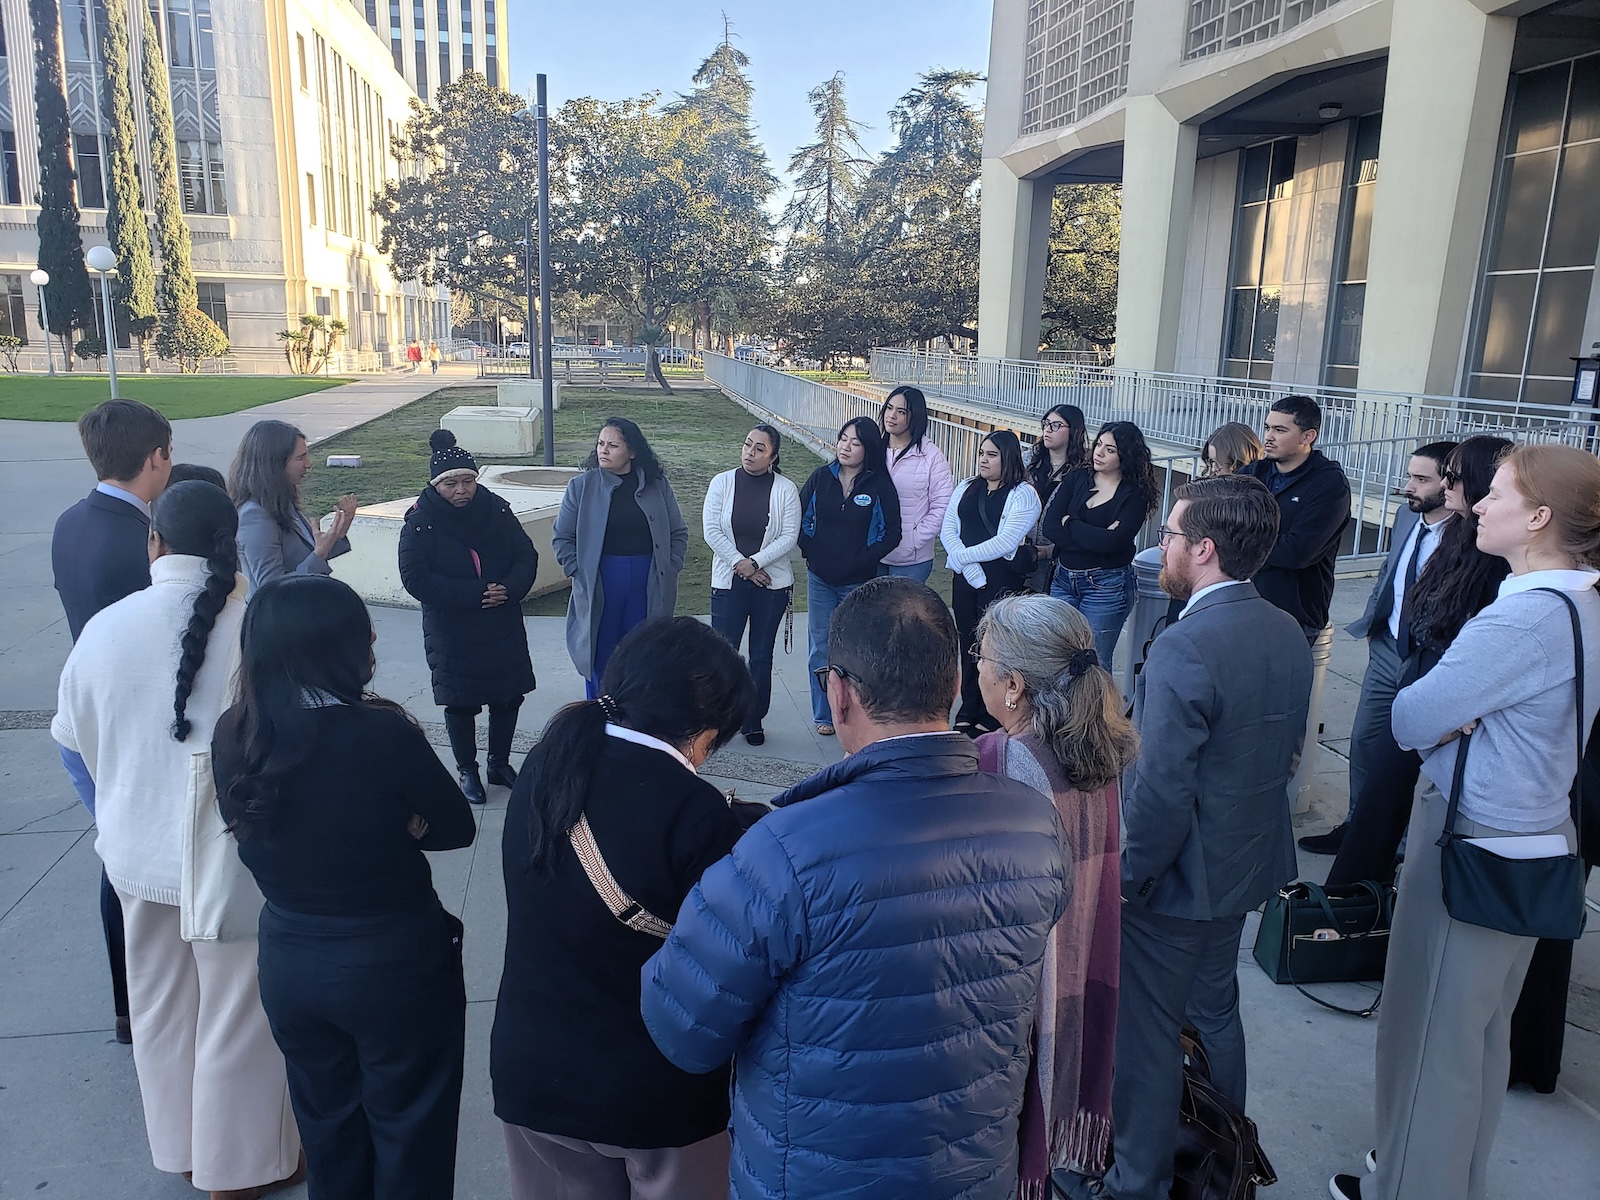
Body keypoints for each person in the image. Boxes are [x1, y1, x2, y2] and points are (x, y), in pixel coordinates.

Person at [642, 578, 1069, 1200]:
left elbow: (682, 1027)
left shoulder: (783, 848)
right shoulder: (1035, 822)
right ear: (953, 686)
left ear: (837, 693)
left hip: (812, 1178)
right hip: (974, 1173)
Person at [1329, 444, 1600, 1200]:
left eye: (1499, 494)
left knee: (1427, 1048)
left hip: (1472, 845)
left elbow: (1411, 717)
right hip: (1531, 841)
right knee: (1474, 1044)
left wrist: (1454, 718)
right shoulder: (1583, 601)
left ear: (1540, 517)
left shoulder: (1520, 621)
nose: (1477, 503)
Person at [52, 480, 304, 1199]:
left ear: (154, 542)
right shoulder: (263, 625)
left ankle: (184, 1152)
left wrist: (112, 812)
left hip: (136, 853)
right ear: (231, 542)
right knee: (237, 1011)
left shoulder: (105, 628)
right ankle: (244, 1165)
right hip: (235, 853)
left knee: (161, 1007)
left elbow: (69, 744)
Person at [1073, 474, 1311, 1200]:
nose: (1160, 547)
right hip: (1242, 869)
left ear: (1203, 549)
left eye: (1171, 536)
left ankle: (1137, 1184)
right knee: (1214, 1017)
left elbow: (1162, 788)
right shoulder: (1284, 628)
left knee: (1146, 1046)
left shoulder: (1185, 645)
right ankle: (1223, 1161)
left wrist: (1126, 877)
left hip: (1173, 884)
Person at [213, 574, 475, 1200]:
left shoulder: (235, 731)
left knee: (327, 1124)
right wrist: (400, 825)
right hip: (393, 956)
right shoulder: (381, 733)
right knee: (411, 1125)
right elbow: (455, 825)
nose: (376, 638)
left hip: (291, 957)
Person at [492, 618, 755, 1200]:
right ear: (706, 730)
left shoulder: (548, 763)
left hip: (533, 1070)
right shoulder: (696, 811)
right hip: (656, 1094)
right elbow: (727, 964)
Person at [973, 595, 1138, 1188]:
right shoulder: (1099, 749)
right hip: (1077, 975)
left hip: (1017, 1001)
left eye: (982, 657)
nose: (977, 669)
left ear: (1014, 685)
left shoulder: (997, 762)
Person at [51, 398, 172, 1046]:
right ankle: (143, 1001)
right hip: (133, 715)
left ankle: (128, 1004)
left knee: (116, 853)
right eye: (169, 455)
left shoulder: (71, 521)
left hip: (88, 708)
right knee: (130, 863)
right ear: (155, 457)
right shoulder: (139, 542)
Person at [1300, 441, 1459, 858]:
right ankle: (1359, 829)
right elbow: (1391, 570)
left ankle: (1403, 845)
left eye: (1421, 479)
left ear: (1450, 484)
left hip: (1433, 657)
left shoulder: (1470, 536)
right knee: (1366, 742)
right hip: (1387, 646)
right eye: (1409, 476)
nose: (1408, 486)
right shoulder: (1408, 515)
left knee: (1414, 752)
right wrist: (1375, 622)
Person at [399, 429, 540, 804]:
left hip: (501, 621)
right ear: (436, 484)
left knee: (508, 696)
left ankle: (499, 762)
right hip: (453, 628)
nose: (461, 490)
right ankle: (467, 769)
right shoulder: (420, 521)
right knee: (461, 701)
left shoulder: (496, 509)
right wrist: (475, 594)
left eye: (467, 481)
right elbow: (416, 577)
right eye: (450, 483)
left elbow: (525, 555)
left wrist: (509, 589)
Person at [553, 418, 688, 699]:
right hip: (602, 580)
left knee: (641, 651)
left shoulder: (657, 485)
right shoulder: (581, 486)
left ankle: (635, 717)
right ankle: (600, 714)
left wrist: (671, 565)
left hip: (647, 579)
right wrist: (578, 570)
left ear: (633, 452)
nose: (604, 450)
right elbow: (562, 537)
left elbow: (678, 531)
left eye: (613, 445)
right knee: (600, 650)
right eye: (601, 444)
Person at [797, 417, 902, 735]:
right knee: (821, 646)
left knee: (856, 648)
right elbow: (799, 520)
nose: (846, 446)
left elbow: (891, 534)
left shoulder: (879, 486)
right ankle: (825, 713)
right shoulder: (820, 478)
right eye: (843, 438)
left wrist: (861, 559)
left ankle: (856, 710)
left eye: (855, 442)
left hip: (858, 582)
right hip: (820, 579)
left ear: (867, 449)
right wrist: (812, 552)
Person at [704, 425, 801, 746]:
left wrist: (756, 563)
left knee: (760, 656)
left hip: (770, 586)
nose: (750, 452)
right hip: (728, 581)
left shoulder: (785, 489)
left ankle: (753, 719)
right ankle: (719, 719)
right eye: (747, 445)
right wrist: (741, 565)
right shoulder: (722, 482)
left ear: (773, 456)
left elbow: (789, 536)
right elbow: (711, 531)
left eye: (760, 449)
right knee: (723, 653)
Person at [941, 430, 1041, 733]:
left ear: (1007, 458)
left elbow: (1006, 541)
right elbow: (948, 529)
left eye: (992, 454)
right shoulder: (967, 487)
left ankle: (991, 712)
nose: (984, 459)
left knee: (995, 647)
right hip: (966, 580)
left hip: (1000, 581)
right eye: (982, 453)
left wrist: (964, 559)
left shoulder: (1023, 493)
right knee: (967, 642)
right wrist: (969, 569)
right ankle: (969, 706)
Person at [1043, 421, 1158, 670]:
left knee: (1094, 663)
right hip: (1064, 579)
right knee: (1057, 658)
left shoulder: (1135, 494)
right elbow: (1050, 526)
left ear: (1125, 455)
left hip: (1106, 586)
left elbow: (1113, 542)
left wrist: (1070, 522)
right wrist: (1093, 537)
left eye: (1110, 449)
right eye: (1098, 445)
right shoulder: (1076, 479)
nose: (1099, 452)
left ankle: (1095, 711)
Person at [1242, 395, 1352, 639]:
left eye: (1280, 430)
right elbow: (1220, 528)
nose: (1269, 436)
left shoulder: (1330, 486)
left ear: (1307, 436)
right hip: (1242, 605)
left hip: (1293, 618)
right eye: (1268, 428)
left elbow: (1297, 552)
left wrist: (1241, 541)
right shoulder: (1251, 474)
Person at [229, 419, 356, 592]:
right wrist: (319, 553)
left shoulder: (281, 502)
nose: (309, 464)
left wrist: (337, 534)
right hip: (281, 617)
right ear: (274, 464)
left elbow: (304, 558)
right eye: (300, 458)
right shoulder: (255, 515)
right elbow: (271, 588)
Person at [878, 385, 954, 583]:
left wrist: (913, 540)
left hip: (912, 560)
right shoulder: (873, 450)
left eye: (901, 411)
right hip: (872, 554)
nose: (892, 415)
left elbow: (942, 506)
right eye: (889, 408)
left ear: (915, 417)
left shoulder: (932, 456)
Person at [1023, 404, 1090, 591]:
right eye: (1046, 423)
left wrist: (1050, 551)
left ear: (1074, 430)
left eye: (1056, 425)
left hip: (1059, 562)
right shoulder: (1026, 461)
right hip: (1023, 557)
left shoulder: (1084, 471)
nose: (1047, 430)